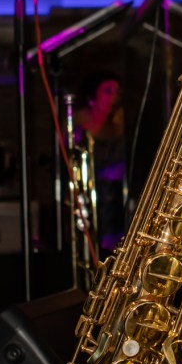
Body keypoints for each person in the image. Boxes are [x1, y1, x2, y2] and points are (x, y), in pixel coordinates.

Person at [73, 71, 126, 255]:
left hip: (117, 204)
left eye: (117, 92)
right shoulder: (79, 126)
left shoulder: (120, 124)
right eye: (108, 91)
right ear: (92, 96)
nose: (114, 97)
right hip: (90, 202)